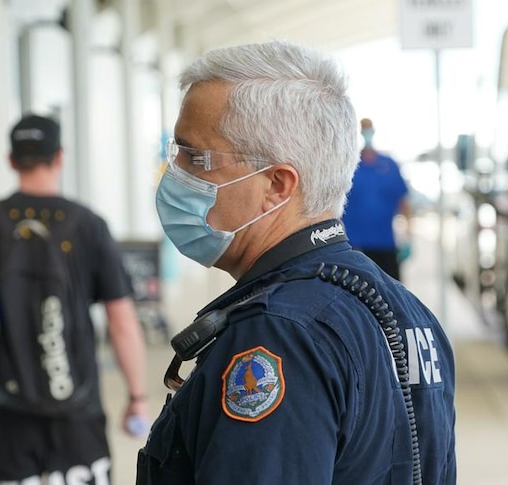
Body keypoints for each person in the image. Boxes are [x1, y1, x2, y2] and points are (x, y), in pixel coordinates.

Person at [138, 41, 456, 485]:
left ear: (277, 184)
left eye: (195, 158)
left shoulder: (278, 333)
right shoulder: (412, 314)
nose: (176, 175)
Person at [0, 114, 149, 484]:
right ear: (60, 157)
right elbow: (121, 321)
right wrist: (137, 396)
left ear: (11, 160)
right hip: (76, 404)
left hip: (4, 403)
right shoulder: (88, 224)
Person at [342, 117, 412, 281]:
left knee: (391, 298)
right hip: (354, 247)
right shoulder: (348, 166)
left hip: (385, 245)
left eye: (368, 130)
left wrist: (408, 237)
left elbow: (404, 203)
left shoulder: (389, 165)